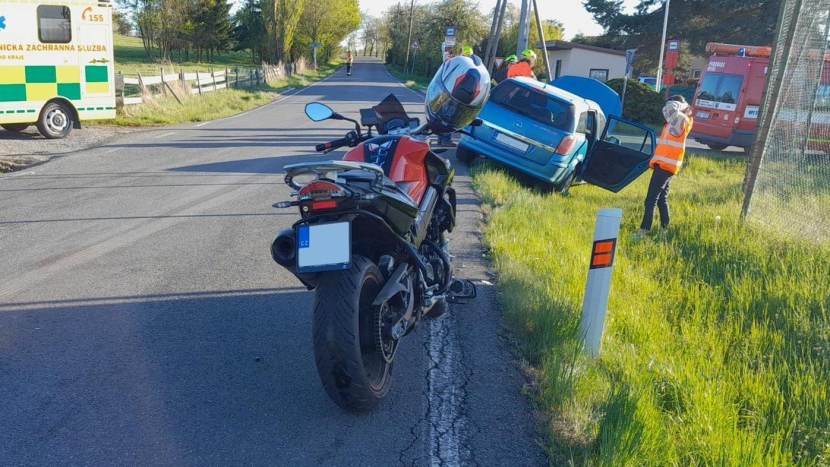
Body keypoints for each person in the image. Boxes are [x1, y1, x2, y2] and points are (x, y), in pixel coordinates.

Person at [635, 95, 694, 239]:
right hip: (666, 165)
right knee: (662, 198)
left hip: (666, 166)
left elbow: (670, 108)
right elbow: (667, 109)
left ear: (680, 106)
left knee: (651, 199)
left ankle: (643, 232)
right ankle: (665, 230)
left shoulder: (682, 120)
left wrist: (680, 104)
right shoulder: (675, 122)